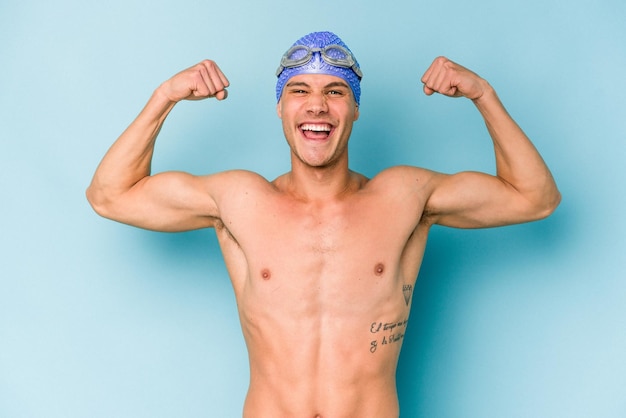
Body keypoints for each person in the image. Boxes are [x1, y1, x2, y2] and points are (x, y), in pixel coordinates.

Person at [86, 31, 560, 418]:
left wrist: (484, 95)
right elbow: (109, 195)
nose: (317, 106)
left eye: (334, 92)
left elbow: (535, 198)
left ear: (354, 109)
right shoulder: (240, 199)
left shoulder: (402, 196)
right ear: (281, 108)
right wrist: (164, 97)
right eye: (300, 91)